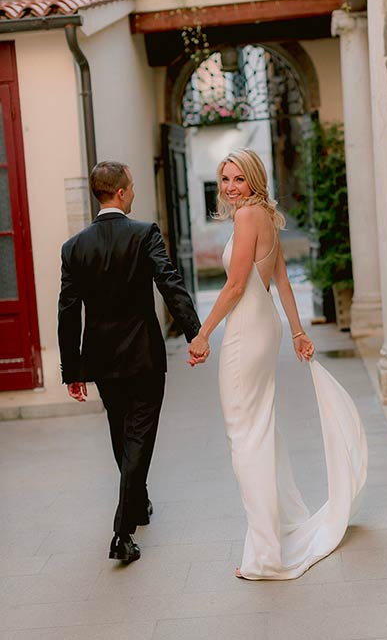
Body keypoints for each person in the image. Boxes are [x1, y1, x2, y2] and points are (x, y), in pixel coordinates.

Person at [189, 148, 367, 580]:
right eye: (224, 180)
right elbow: (282, 281)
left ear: (253, 179)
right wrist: (297, 331)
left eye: (237, 179)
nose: (230, 187)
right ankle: (283, 527)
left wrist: (202, 333)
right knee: (261, 429)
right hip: (262, 325)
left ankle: (267, 553)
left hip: (247, 330)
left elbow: (234, 286)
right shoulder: (264, 214)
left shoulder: (248, 217)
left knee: (244, 436)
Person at [58, 161, 205, 564]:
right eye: (132, 185)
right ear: (121, 193)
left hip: (102, 359)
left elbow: (68, 312)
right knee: (138, 435)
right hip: (142, 355)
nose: (133, 190)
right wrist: (195, 333)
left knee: (121, 432)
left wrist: (73, 370)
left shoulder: (74, 247)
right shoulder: (144, 234)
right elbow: (169, 282)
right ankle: (122, 531)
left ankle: (138, 505)